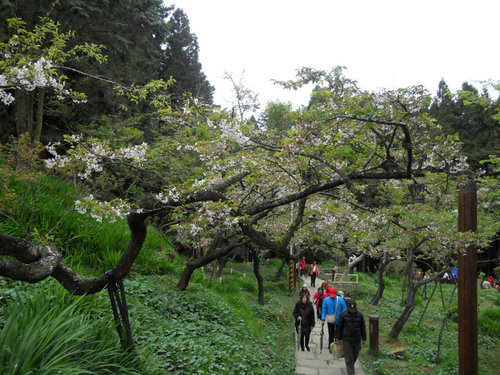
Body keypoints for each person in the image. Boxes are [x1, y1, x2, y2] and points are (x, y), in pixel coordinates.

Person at [336, 298, 367, 375]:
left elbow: (363, 327)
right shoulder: (343, 314)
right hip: (346, 340)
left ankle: (350, 367)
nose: (352, 311)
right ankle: (351, 373)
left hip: (357, 340)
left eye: (353, 309)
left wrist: (364, 338)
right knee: (348, 358)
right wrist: (337, 337)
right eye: (350, 309)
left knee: (355, 356)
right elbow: (339, 327)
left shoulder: (360, 315)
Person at [321, 287, 346, 352]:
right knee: (331, 334)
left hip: (339, 321)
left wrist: (345, 318)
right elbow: (324, 310)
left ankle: (337, 348)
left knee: (338, 335)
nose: (332, 297)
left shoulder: (341, 300)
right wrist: (323, 319)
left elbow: (344, 310)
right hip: (330, 320)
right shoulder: (326, 300)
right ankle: (330, 347)